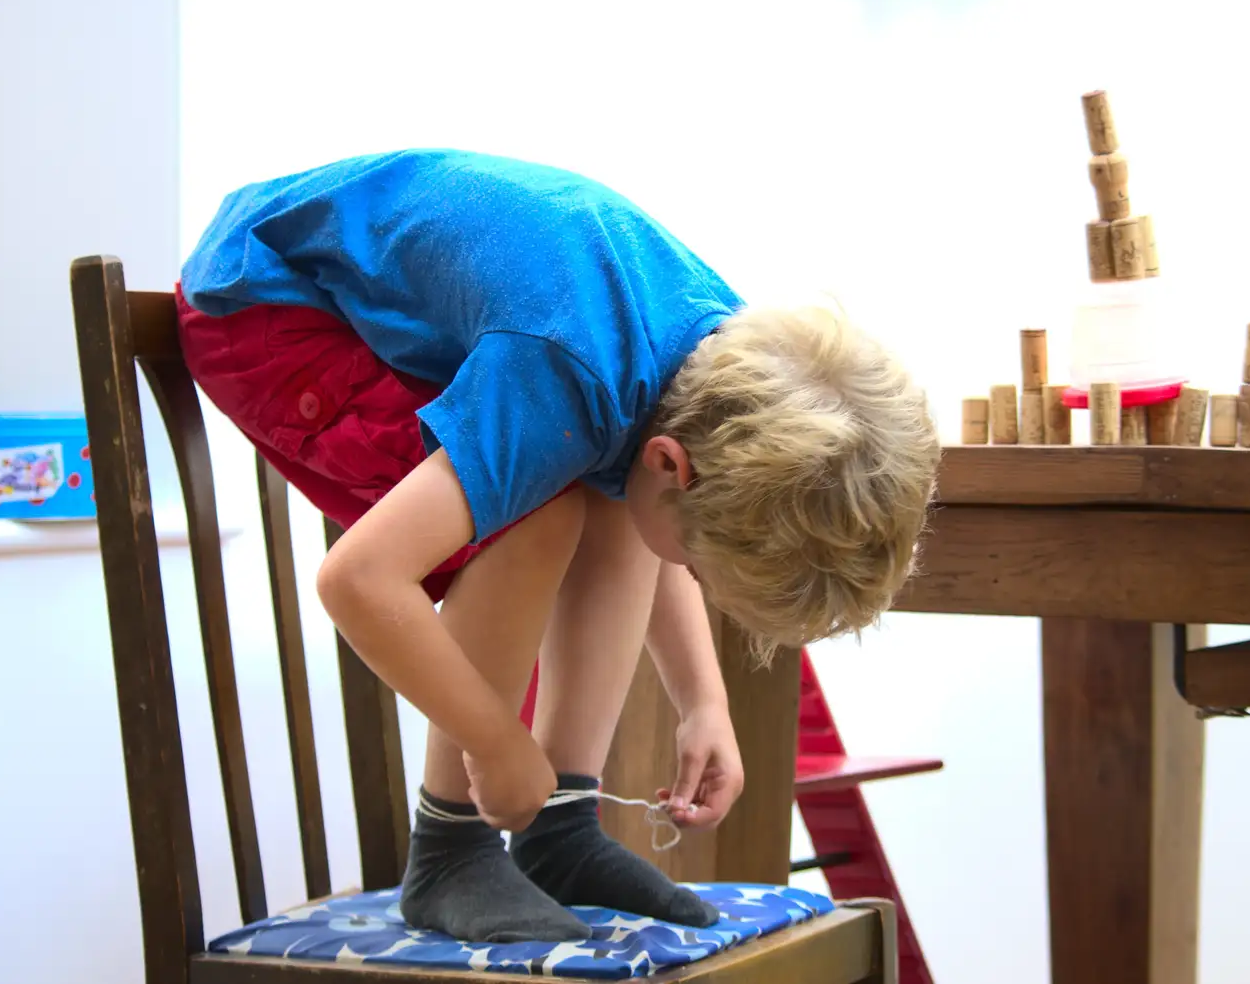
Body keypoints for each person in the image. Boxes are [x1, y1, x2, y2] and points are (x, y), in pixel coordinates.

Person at [176, 149, 940, 944]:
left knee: (595, 488)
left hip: (407, 297)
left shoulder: (720, 363)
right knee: (533, 515)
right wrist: (494, 746)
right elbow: (359, 580)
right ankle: (449, 845)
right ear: (672, 466)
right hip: (260, 301)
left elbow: (657, 507)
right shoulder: (571, 371)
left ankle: (561, 830)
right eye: (695, 564)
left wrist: (702, 701)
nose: (682, 570)